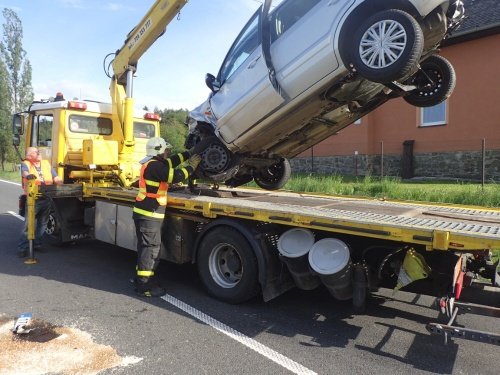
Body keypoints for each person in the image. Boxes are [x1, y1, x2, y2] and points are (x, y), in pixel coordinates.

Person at [132, 137, 204, 297]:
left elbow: (172, 161)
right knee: (150, 249)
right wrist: (191, 166)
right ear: (159, 151)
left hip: (147, 213)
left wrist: (188, 154)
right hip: (149, 214)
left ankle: (142, 279)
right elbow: (176, 176)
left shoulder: (153, 163)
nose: (168, 153)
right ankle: (145, 286)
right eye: (166, 150)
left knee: (146, 248)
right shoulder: (156, 166)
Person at [17, 147, 63, 258]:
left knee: (43, 224)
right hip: (33, 199)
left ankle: (37, 244)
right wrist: (28, 175)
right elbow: (24, 172)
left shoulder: (46, 163)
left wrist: (59, 181)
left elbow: (55, 176)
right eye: (37, 152)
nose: (39, 153)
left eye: (39, 152)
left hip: (46, 198)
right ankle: (22, 247)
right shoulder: (26, 163)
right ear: (29, 155)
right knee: (28, 224)